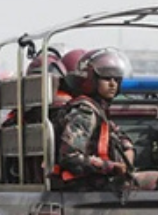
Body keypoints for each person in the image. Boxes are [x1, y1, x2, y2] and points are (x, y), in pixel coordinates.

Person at [50, 47, 137, 191]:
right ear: (92, 79)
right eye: (106, 78)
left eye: (116, 79)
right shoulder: (85, 112)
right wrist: (110, 167)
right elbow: (69, 156)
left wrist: (128, 148)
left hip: (98, 187)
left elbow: (118, 134)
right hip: (84, 188)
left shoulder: (98, 110)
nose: (112, 84)